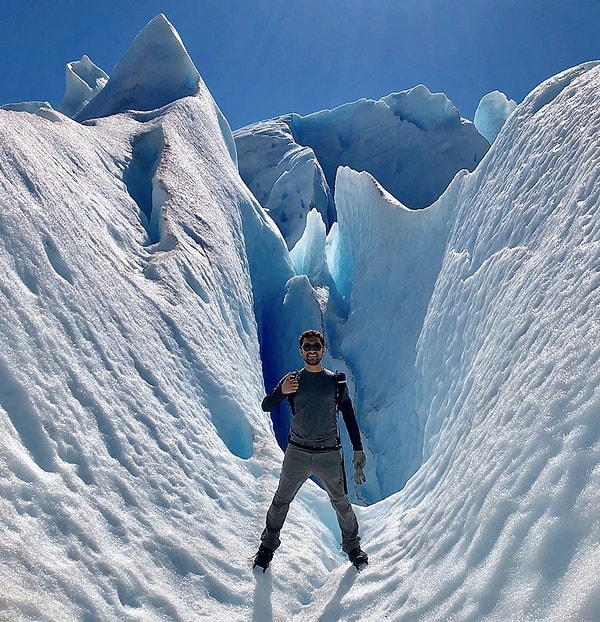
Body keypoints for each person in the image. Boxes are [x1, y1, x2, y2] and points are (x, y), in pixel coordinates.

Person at [253, 329, 368, 572]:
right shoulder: (292, 381)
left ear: (323, 349)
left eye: (316, 346)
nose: (312, 350)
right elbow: (267, 405)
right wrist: (281, 391)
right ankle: (267, 548)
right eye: (308, 347)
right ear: (301, 350)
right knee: (281, 501)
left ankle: (353, 548)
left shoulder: (335, 382)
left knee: (341, 503)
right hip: (297, 453)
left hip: (328, 453)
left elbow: (348, 416)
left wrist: (358, 450)